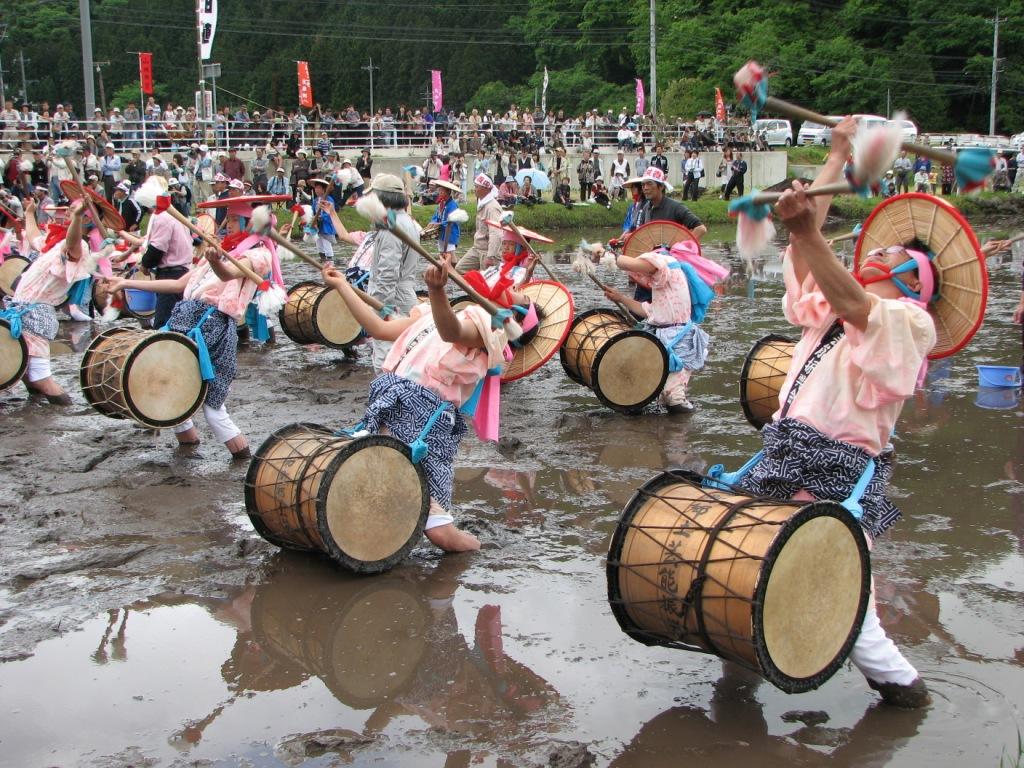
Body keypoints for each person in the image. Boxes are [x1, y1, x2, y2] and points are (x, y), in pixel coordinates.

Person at [734, 118, 937, 708]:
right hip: (786, 453)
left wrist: (806, 234)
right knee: (751, 570)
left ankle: (905, 694)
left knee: (845, 603)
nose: (872, 252)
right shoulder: (830, 311)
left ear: (910, 277)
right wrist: (836, 157)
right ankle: (738, 670)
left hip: (838, 470)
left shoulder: (909, 323)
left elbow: (854, 301)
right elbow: (809, 253)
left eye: (888, 253)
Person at [321, 253, 508, 552]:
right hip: (392, 402)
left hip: (427, 423)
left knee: (439, 532)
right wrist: (342, 286)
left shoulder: (489, 331)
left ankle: (480, 550)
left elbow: (453, 333)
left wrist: (436, 291)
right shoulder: (427, 318)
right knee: (379, 481)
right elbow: (378, 329)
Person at [107, 205, 275, 459]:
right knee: (172, 391)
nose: (227, 224)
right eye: (227, 219)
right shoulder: (222, 250)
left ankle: (244, 462)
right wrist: (126, 282)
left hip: (213, 328)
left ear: (249, 223)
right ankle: (188, 450)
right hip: (184, 320)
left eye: (232, 220)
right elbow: (177, 284)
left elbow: (229, 274)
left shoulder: (259, 255)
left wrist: (216, 261)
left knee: (213, 407)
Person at [599, 242, 720, 413]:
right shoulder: (666, 284)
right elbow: (649, 311)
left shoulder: (664, 260)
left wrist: (606, 255)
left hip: (678, 340)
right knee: (655, 394)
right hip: (663, 338)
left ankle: (681, 431)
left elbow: (630, 264)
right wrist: (619, 298)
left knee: (673, 398)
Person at [3, 198, 96, 404]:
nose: (67, 213)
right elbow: (35, 237)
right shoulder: (55, 243)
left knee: (41, 378)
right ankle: (36, 414)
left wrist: (78, 217)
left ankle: (64, 412)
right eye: (70, 209)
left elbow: (73, 243)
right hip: (22, 311)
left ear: (85, 218)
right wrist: (29, 213)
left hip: (35, 313)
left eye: (74, 210)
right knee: (26, 374)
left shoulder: (77, 245)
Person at [364, 173, 420, 370]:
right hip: (404, 293)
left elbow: (388, 274)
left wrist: (382, 309)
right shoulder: (408, 221)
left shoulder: (391, 228)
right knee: (404, 352)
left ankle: (386, 397)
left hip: (394, 296)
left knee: (386, 355)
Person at [139, 188, 195, 329]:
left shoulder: (163, 217)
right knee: (178, 323)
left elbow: (157, 248)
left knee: (164, 325)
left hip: (172, 274)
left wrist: (145, 264)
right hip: (182, 271)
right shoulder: (178, 217)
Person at [455, 173, 503, 273]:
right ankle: (474, 284)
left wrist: (491, 256)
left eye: (477, 187)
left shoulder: (492, 207)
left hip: (487, 251)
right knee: (460, 269)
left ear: (485, 188)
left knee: (487, 282)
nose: (474, 189)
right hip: (477, 248)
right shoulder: (482, 203)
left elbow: (496, 234)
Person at [427, 180, 461, 254]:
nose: (439, 192)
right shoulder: (441, 203)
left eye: (442, 191)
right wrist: (433, 222)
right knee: (442, 254)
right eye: (439, 190)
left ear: (447, 192)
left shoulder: (453, 205)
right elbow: (436, 216)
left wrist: (439, 224)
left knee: (450, 255)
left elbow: (452, 220)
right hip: (441, 234)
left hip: (450, 234)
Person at [309, 178, 337, 263]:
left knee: (326, 245)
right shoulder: (315, 200)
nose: (317, 190)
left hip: (326, 225)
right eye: (316, 188)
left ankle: (330, 262)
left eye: (319, 188)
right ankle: (322, 261)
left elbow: (331, 213)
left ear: (324, 189)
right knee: (319, 245)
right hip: (317, 226)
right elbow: (313, 211)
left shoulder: (329, 200)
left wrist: (322, 217)